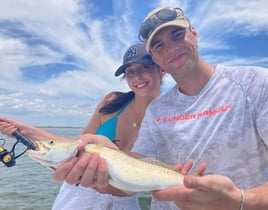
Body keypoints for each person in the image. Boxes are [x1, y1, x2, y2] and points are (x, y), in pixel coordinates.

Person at [52, 6, 268, 210]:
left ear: (194, 33)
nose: (171, 48)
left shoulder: (256, 83)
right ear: (156, 58)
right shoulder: (157, 110)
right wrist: (105, 163)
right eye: (158, 45)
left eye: (177, 35)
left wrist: (240, 200)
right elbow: (132, 179)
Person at [0, 43, 165, 210]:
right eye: (130, 72)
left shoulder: (168, 120)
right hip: (77, 195)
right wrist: (24, 130)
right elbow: (76, 146)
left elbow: (140, 181)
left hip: (123, 203)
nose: (137, 76)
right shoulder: (112, 102)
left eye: (145, 67)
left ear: (162, 70)